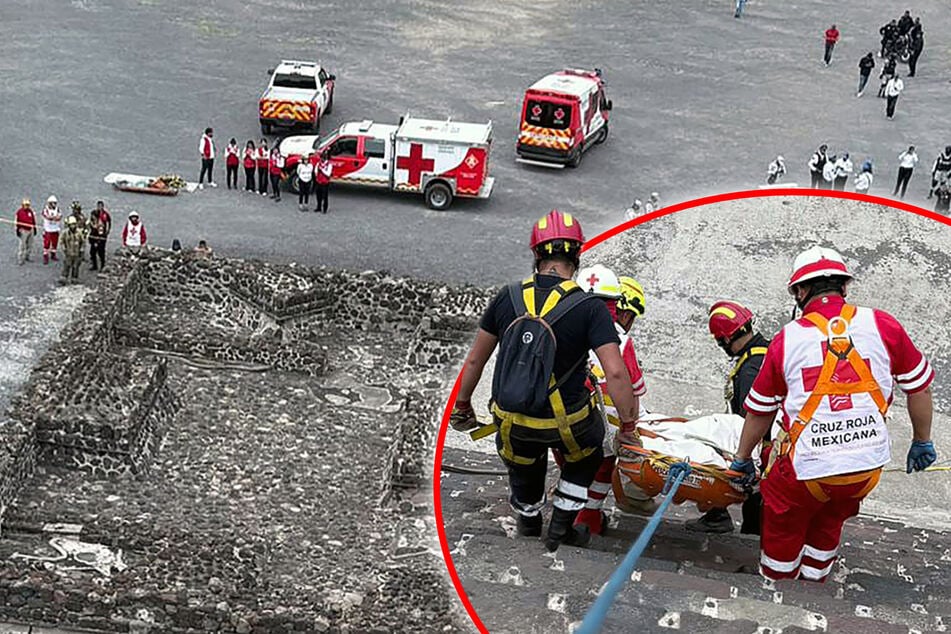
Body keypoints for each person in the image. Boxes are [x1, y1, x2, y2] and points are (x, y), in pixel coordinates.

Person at [731, 246, 936, 582]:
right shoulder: (883, 325)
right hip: (864, 469)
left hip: (805, 472)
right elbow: (919, 388)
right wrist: (921, 441)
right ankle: (814, 582)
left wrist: (741, 458)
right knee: (831, 519)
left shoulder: (787, 340)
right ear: (844, 287)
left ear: (800, 291)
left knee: (784, 527)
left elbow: (760, 413)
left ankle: (777, 586)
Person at [449, 210, 643, 552]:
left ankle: (528, 521)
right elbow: (615, 372)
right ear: (577, 256)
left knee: (523, 460)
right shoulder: (589, 307)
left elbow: (475, 359)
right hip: (568, 423)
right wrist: (628, 425)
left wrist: (462, 407)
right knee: (588, 453)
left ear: (536, 255)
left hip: (513, 420)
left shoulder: (506, 297)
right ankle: (562, 527)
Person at [574, 268, 652, 536]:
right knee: (606, 463)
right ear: (624, 311)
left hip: (562, 415)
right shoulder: (622, 341)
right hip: (601, 423)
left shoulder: (562, 326)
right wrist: (630, 428)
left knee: (569, 461)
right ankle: (589, 515)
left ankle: (567, 505)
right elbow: (634, 388)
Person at [685, 300, 771, 535]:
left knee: (721, 464)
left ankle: (741, 532)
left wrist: (741, 451)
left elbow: (752, 416)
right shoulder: (764, 352)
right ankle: (718, 514)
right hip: (768, 441)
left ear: (725, 339)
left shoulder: (750, 368)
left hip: (762, 444)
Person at [60, 215, 85, 284]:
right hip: (68, 253)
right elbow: (61, 241)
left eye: (74, 224)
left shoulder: (79, 232)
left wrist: (82, 250)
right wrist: (64, 249)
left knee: (76, 267)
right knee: (66, 266)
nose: (73, 226)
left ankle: (74, 279)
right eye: (71, 225)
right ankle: (64, 278)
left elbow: (83, 242)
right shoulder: (65, 233)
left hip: (77, 253)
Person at [14, 198, 37, 265]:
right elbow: (17, 222)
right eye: (26, 205)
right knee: (22, 245)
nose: (27, 206)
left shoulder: (30, 211)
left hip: (30, 229)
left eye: (28, 205)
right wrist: (17, 230)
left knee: (30, 244)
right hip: (23, 230)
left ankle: (27, 256)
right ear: (23, 205)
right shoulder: (19, 212)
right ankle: (20, 259)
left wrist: (34, 229)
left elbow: (33, 220)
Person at [87, 205, 110, 271]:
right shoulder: (93, 217)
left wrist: (106, 233)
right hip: (93, 236)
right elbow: (90, 224)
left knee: (101, 252)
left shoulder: (104, 217)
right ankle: (94, 265)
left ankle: (102, 266)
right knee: (92, 252)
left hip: (100, 238)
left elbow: (108, 224)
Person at [41, 195, 62, 265]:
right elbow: (47, 216)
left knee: (55, 243)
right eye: (52, 203)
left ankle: (53, 254)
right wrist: (54, 218)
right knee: (46, 243)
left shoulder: (58, 209)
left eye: (54, 203)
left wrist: (53, 218)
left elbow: (59, 217)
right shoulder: (46, 209)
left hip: (55, 229)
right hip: (48, 229)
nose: (53, 204)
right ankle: (45, 256)